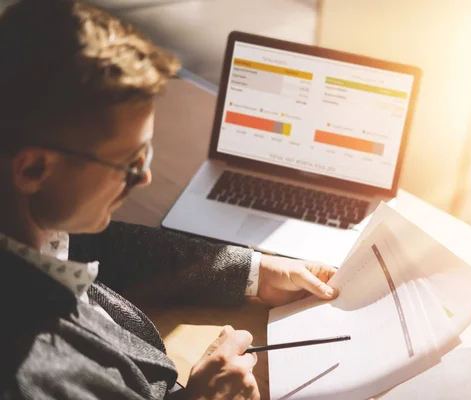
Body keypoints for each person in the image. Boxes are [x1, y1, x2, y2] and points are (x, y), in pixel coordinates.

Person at [0, 1, 339, 399]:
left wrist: (255, 273)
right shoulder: (27, 375)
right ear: (34, 171)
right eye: (128, 164)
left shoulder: (32, 222)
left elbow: (102, 248)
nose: (143, 178)